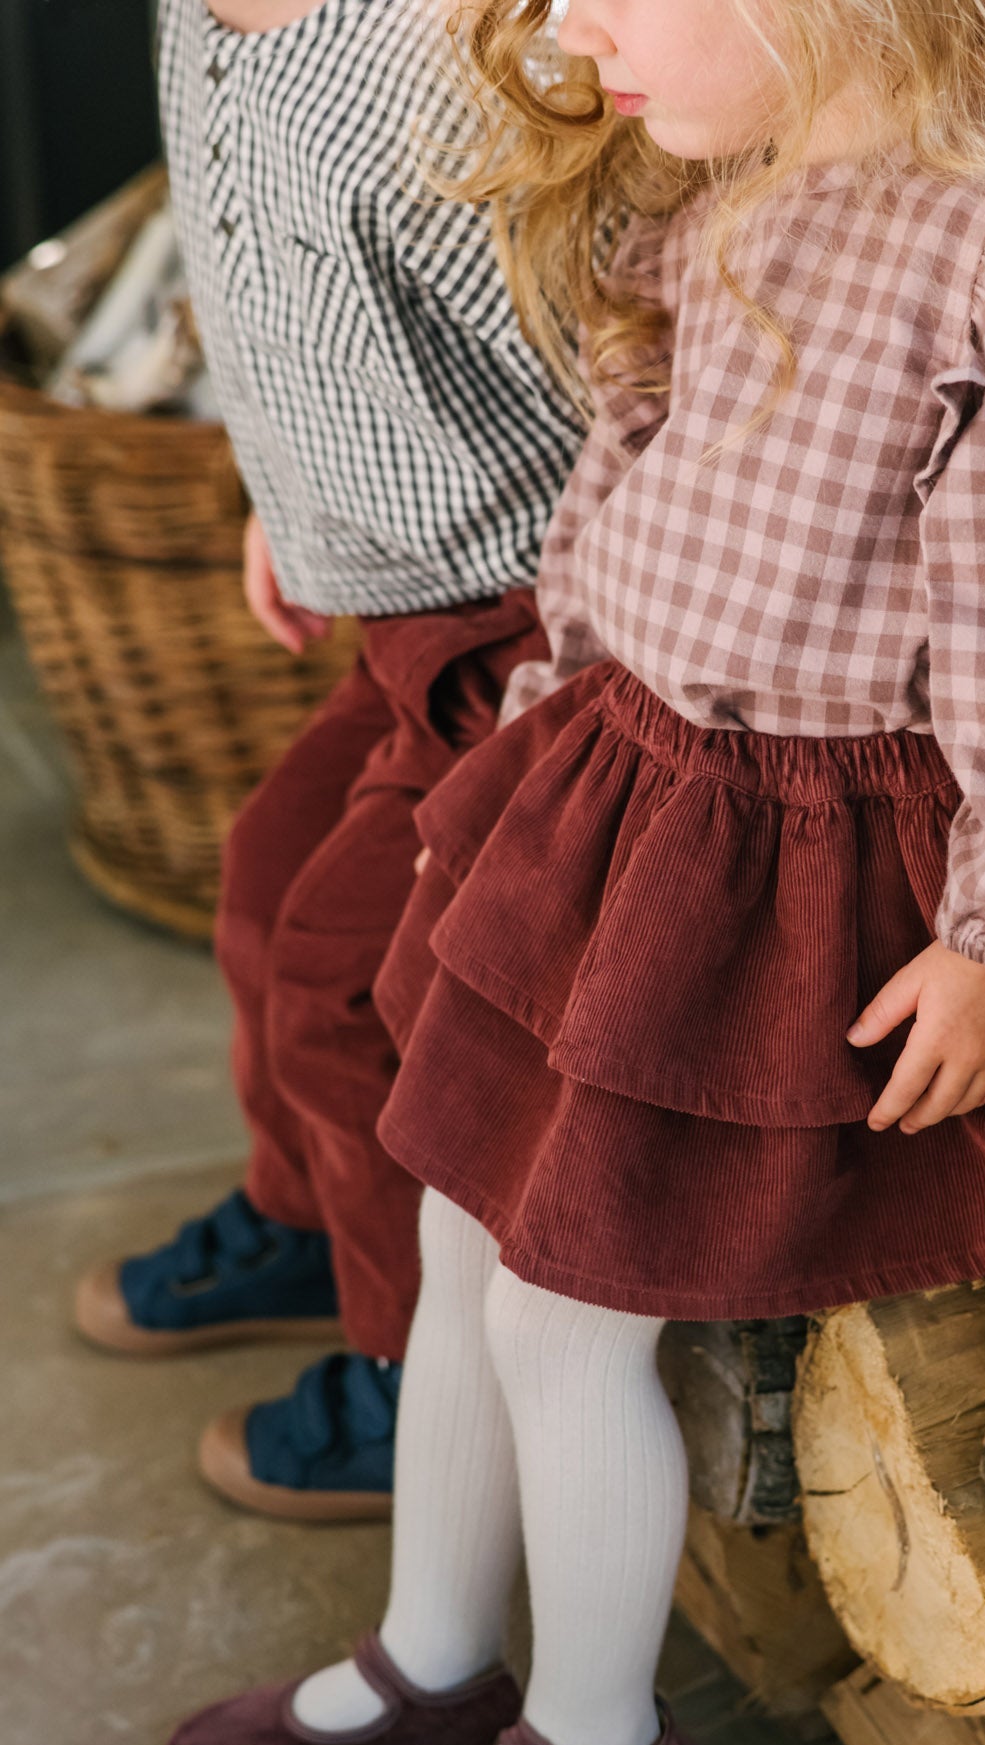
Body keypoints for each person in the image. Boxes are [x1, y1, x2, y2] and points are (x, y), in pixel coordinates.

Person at [166, 0, 985, 1745]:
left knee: (573, 1313)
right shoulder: (712, 182)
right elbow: (615, 484)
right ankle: (436, 1648)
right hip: (619, 778)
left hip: (786, 847)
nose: (561, 27)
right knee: (464, 1215)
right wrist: (540, 733)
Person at [73, 0, 583, 1521]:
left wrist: (577, 657)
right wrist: (281, 494)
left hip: (535, 616)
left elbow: (601, 369)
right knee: (258, 880)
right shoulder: (199, 20)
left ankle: (412, 1375)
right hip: (394, 600)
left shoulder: (435, 67)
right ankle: (307, 1214)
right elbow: (252, 279)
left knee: (345, 979)